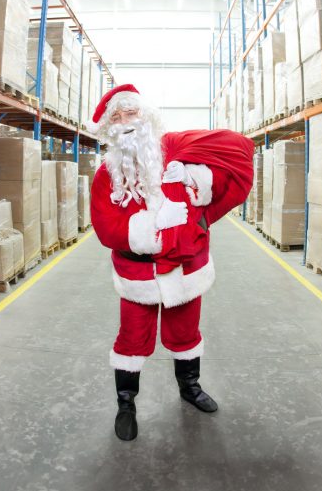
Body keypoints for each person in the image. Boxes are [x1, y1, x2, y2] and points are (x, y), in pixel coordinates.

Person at [86, 84, 254, 441]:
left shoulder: (175, 147)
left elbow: (236, 146)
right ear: (108, 129)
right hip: (138, 275)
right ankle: (126, 402)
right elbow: (105, 227)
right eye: (116, 117)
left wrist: (198, 178)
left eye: (130, 113)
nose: (125, 122)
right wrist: (153, 229)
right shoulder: (106, 176)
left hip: (185, 269)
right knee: (132, 338)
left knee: (185, 333)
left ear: (146, 116)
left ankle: (189, 389)